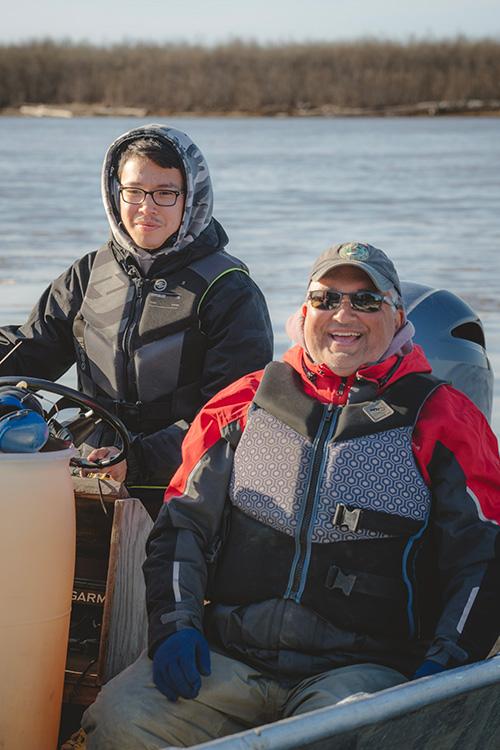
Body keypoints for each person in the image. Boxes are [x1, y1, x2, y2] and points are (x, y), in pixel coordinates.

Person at [82, 242, 500, 749]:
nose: (343, 314)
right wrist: (175, 627)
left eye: (366, 301)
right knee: (120, 719)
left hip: (361, 673)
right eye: (326, 298)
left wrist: (444, 669)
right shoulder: (241, 403)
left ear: (397, 316)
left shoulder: (446, 419)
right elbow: (181, 529)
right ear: (305, 312)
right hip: (231, 657)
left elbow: (482, 558)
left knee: (329, 739)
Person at [0, 125, 273, 506]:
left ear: (190, 197)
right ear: (116, 192)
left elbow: (235, 411)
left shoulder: (230, 290)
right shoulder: (87, 274)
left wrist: (137, 460)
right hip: (87, 477)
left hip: (186, 494)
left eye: (164, 193)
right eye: (134, 192)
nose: (147, 208)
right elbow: (29, 350)